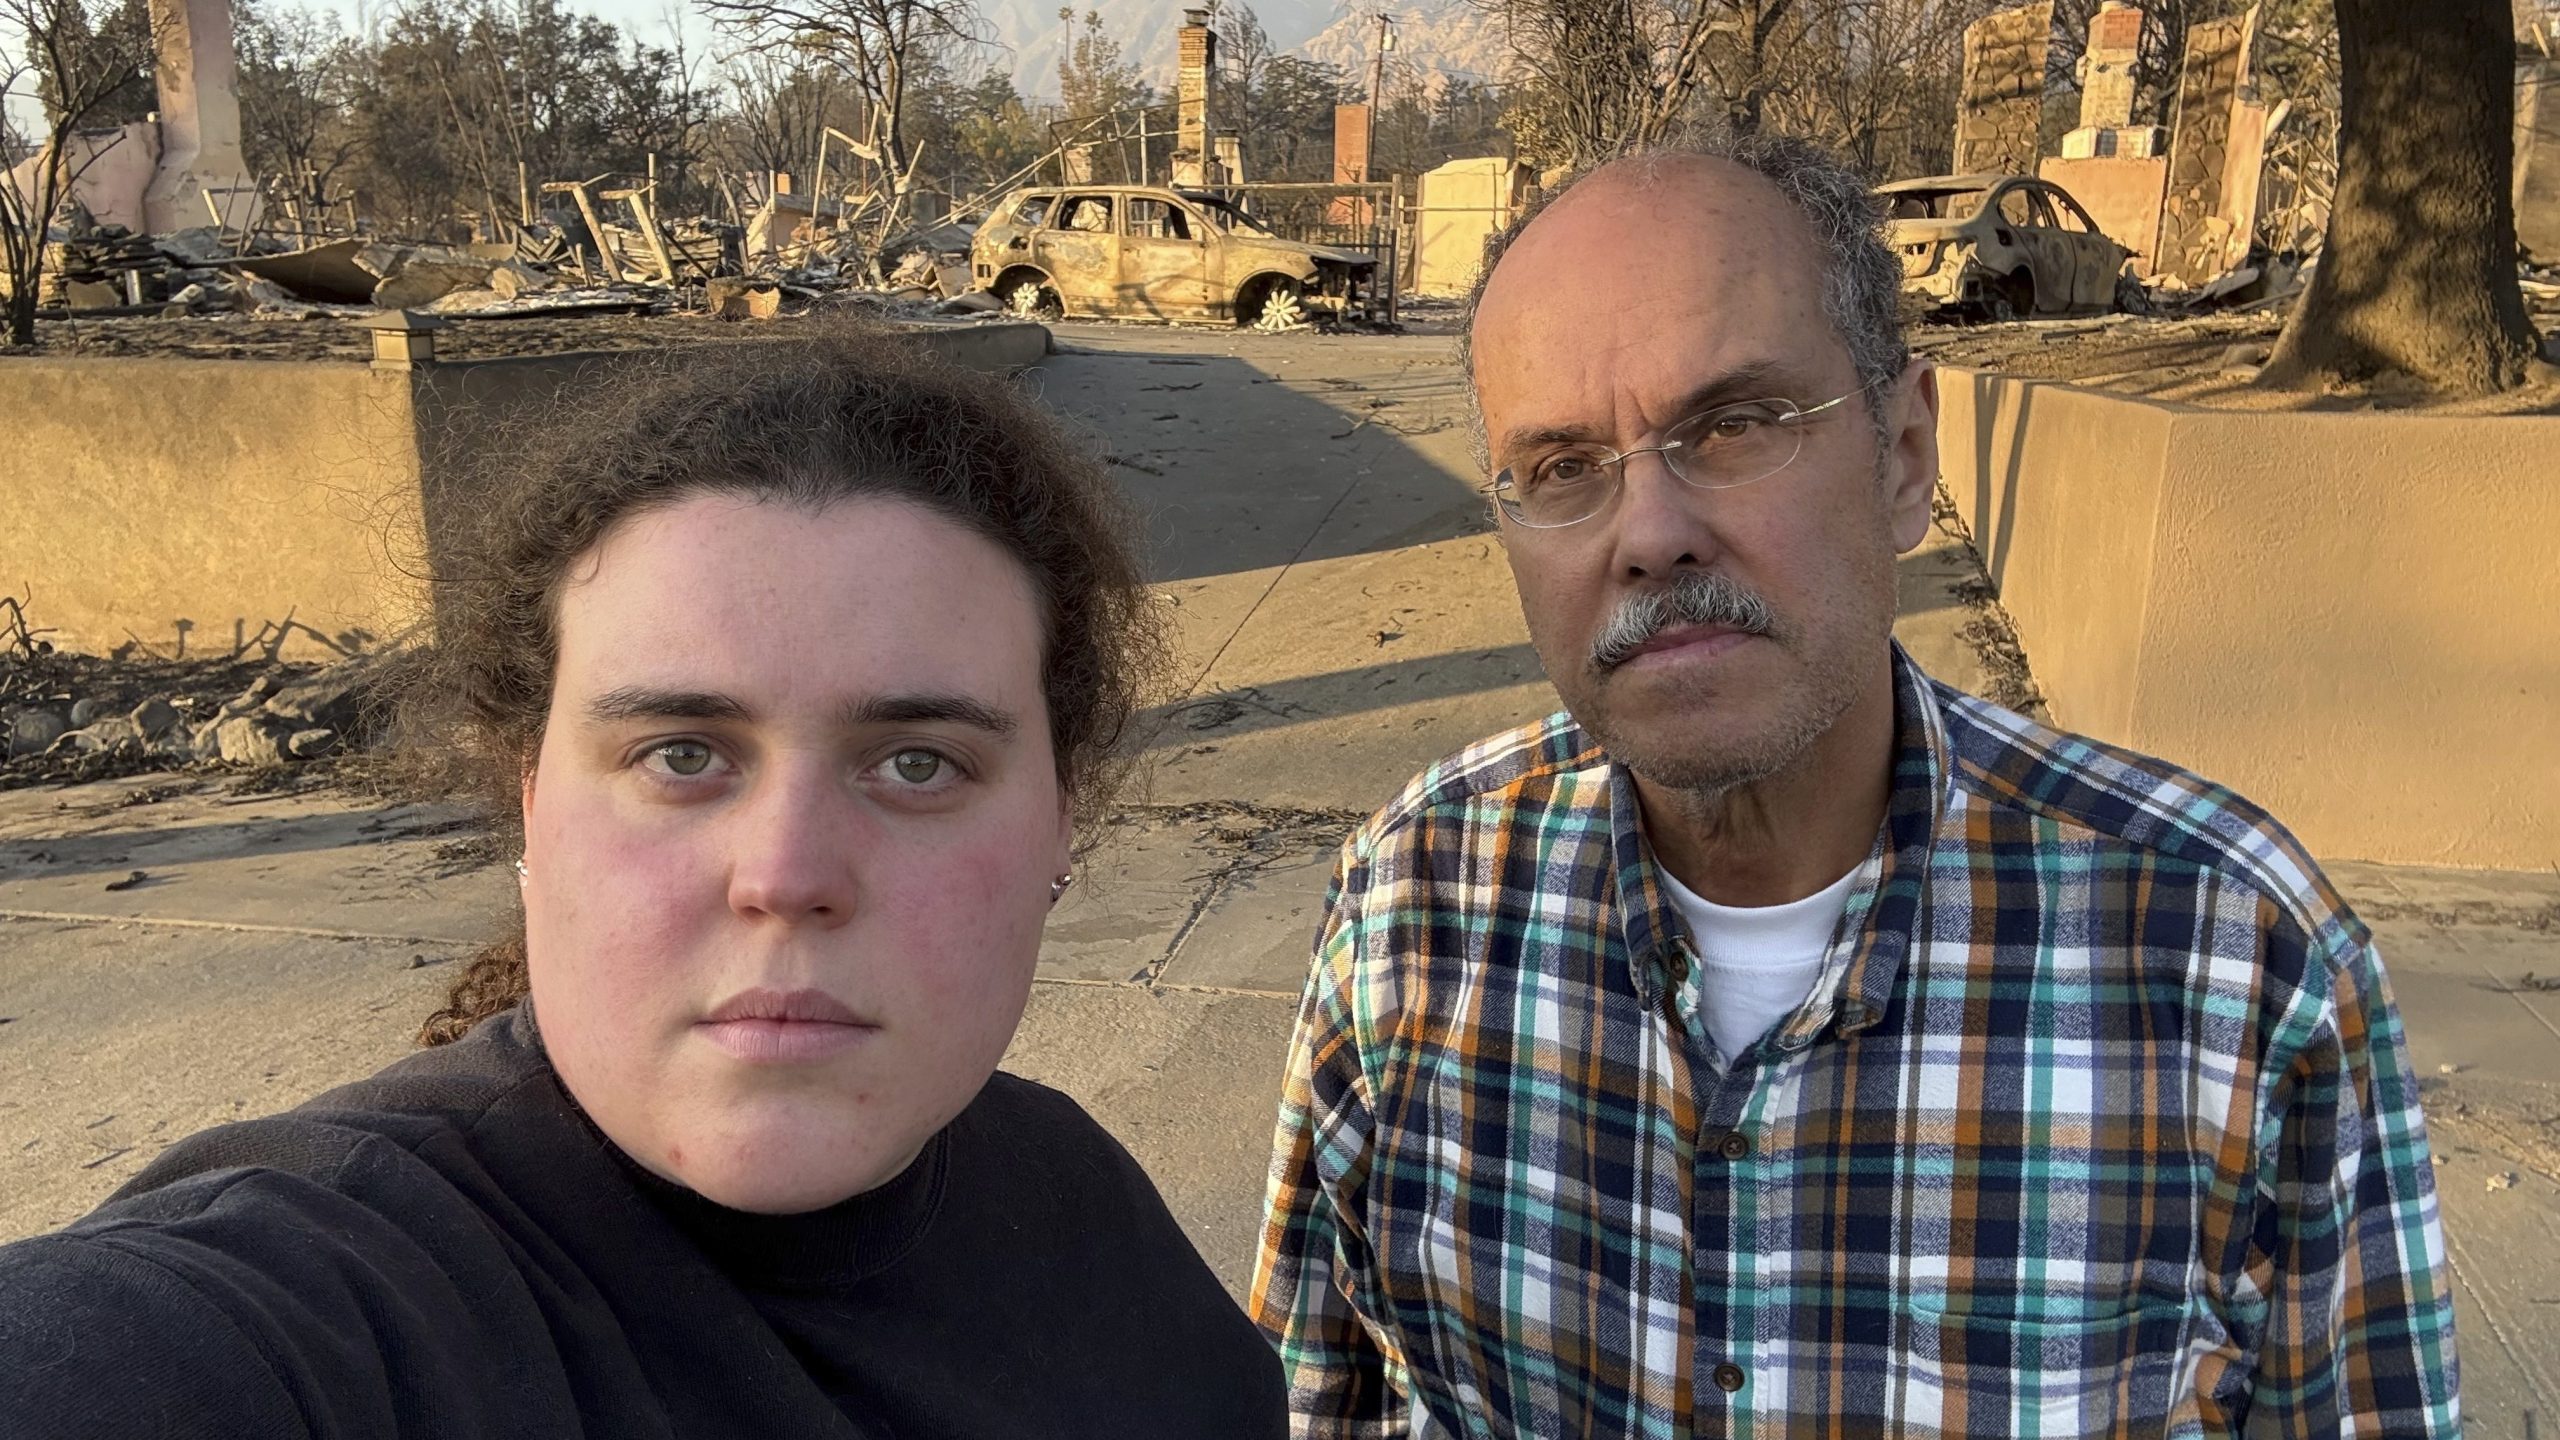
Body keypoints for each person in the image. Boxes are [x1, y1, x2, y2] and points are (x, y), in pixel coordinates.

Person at [1250, 134, 2457, 1437]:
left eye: (1733, 424)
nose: (1648, 532)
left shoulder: (2231, 963)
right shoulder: (1412, 907)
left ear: (1903, 455)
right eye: (1561, 469)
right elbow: (1315, 1404)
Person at [0, 333, 1287, 1437]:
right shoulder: (320, 1301)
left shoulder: (1079, 1208)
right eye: (680, 755)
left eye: (915, 761)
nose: (784, 875)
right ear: (531, 800)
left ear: (1064, 821)